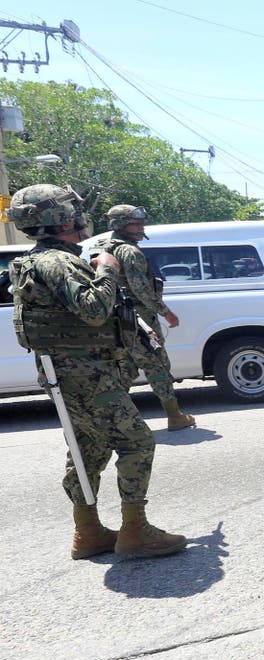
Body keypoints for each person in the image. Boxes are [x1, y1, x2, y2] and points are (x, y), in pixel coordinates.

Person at [9, 185, 187, 559]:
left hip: (74, 375)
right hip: (87, 376)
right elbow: (92, 309)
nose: (81, 215)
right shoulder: (56, 262)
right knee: (137, 443)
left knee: (87, 448)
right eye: (73, 209)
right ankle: (135, 531)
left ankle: (88, 532)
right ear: (60, 218)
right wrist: (106, 270)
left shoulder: (41, 260)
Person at [96, 204, 196, 431]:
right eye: (135, 223)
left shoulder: (102, 246)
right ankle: (175, 416)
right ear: (121, 225)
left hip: (115, 319)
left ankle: (108, 421)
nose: (141, 227)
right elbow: (141, 289)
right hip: (137, 320)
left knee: (127, 368)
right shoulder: (129, 251)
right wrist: (166, 312)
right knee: (157, 363)